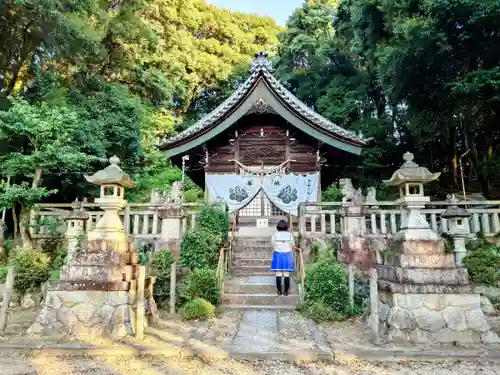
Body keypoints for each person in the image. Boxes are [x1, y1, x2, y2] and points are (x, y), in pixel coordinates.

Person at [270, 219, 295, 296]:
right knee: (286, 274)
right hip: (287, 255)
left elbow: (273, 246)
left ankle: (279, 291)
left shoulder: (275, 235)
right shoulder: (290, 235)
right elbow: (293, 246)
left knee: (278, 274)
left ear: (278, 226)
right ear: (286, 227)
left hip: (278, 255)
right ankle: (286, 292)